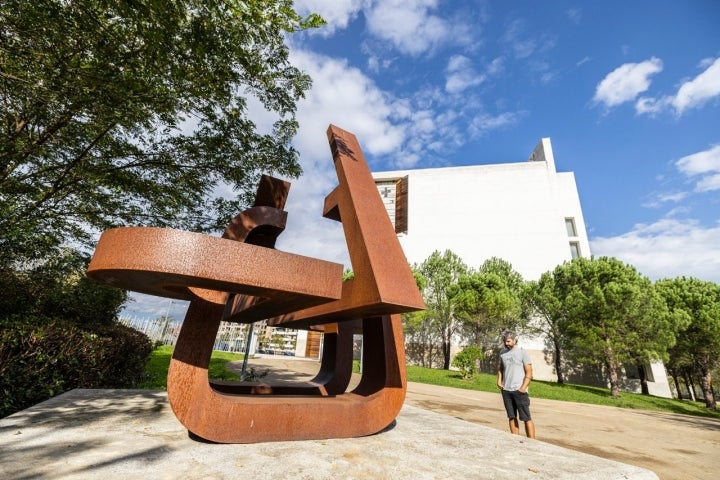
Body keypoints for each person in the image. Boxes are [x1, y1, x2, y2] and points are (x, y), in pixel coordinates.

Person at [497, 330, 536, 438]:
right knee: (511, 416)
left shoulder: (522, 353)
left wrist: (523, 388)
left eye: (508, 341)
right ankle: (515, 440)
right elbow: (500, 369)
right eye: (505, 341)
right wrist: (499, 381)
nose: (506, 343)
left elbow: (529, 371)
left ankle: (533, 443)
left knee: (526, 418)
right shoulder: (502, 353)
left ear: (514, 340)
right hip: (506, 390)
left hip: (520, 391)